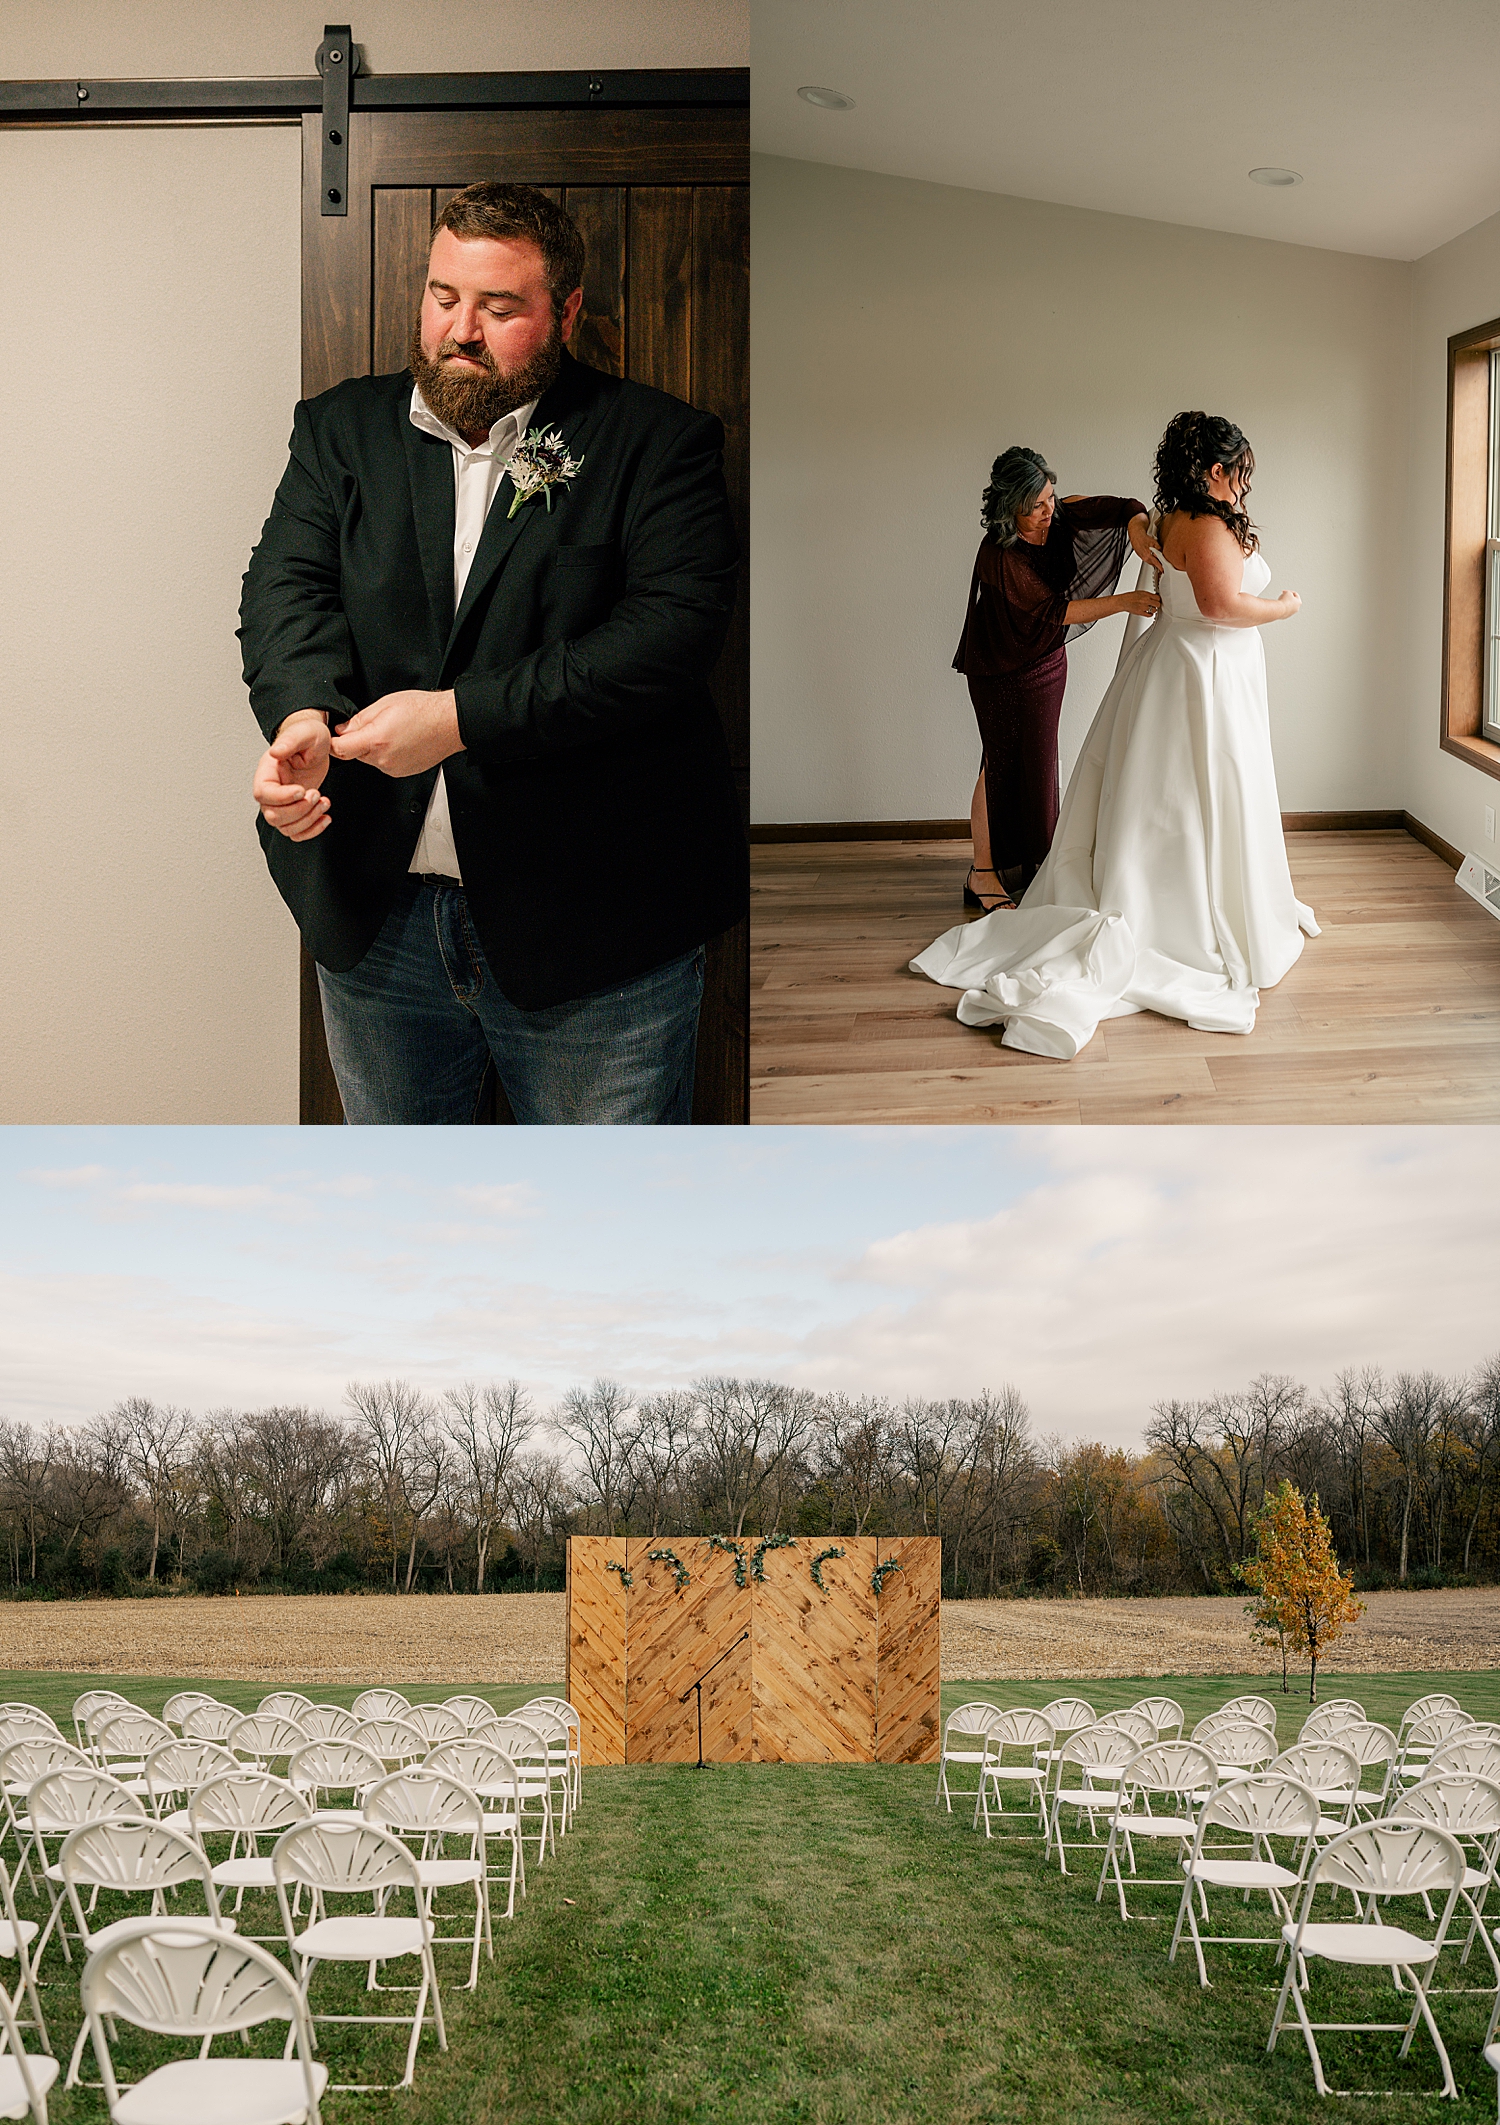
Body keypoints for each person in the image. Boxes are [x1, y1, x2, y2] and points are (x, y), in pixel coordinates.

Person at [241, 183, 746, 1125]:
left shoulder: (659, 443)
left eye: (499, 307)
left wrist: (456, 720)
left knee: (605, 1237)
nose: (459, 331)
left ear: (567, 312)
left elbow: (665, 641)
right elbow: (284, 593)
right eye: (442, 296)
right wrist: (303, 713)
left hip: (599, 935)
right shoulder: (339, 430)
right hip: (378, 923)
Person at [913, 412, 1316, 1056]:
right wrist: (1285, 607)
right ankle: (997, 871)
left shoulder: (1166, 518)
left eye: (1049, 500)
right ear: (1215, 470)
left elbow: (1106, 512)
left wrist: (1133, 523)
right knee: (1160, 791)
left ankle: (1025, 864)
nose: (1050, 512)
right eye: (1238, 472)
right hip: (1155, 672)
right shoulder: (1199, 526)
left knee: (1151, 791)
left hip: (1148, 665)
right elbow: (1215, 606)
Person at [953, 447, 1159, 910]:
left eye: (1051, 497)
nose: (1051, 511)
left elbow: (1125, 508)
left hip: (1045, 662)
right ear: (1011, 513)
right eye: (1037, 508)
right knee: (1000, 763)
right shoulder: (998, 554)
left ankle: (1037, 861)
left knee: (1041, 762)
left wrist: (1140, 536)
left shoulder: (1059, 513)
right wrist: (1125, 602)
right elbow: (1056, 612)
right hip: (999, 668)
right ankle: (981, 874)